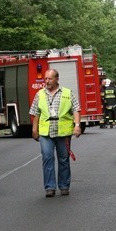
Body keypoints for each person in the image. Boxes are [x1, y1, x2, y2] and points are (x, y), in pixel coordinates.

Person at [30, 68, 82, 197]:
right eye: (45, 79)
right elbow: (36, 113)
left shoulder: (67, 93)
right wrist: (34, 129)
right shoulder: (40, 94)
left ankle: (64, 185)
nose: (46, 81)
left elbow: (76, 109)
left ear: (57, 79)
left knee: (63, 159)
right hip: (45, 132)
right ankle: (50, 187)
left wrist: (77, 126)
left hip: (63, 132)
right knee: (47, 158)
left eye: (50, 79)